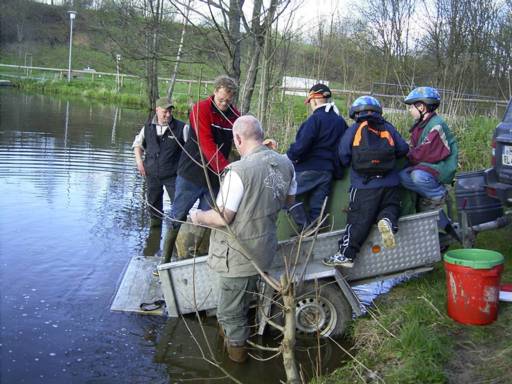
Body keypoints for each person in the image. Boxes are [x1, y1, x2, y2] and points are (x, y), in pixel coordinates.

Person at [190, 115, 296, 363]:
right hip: (265, 251)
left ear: (238, 139)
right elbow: (289, 201)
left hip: (239, 256)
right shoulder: (285, 164)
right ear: (260, 135)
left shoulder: (238, 171)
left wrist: (198, 216)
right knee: (240, 306)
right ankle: (233, 345)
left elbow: (222, 217)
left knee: (230, 314)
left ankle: (238, 366)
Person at [161, 75, 240, 263]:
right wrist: (227, 170)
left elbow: (240, 140)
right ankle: (164, 260)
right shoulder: (200, 109)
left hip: (214, 179)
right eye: (221, 99)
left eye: (228, 101)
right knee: (177, 216)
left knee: (210, 220)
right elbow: (207, 144)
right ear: (215, 92)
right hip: (190, 174)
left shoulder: (235, 116)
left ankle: (198, 258)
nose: (224, 103)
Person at [323, 96, 409, 268]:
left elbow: (343, 154)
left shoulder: (354, 129)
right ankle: (387, 221)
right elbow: (403, 149)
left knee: (357, 221)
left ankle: (346, 255)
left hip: (364, 185)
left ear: (355, 113)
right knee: (391, 207)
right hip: (390, 183)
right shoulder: (388, 128)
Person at [286, 83, 348, 230]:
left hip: (309, 169)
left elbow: (301, 147)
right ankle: (314, 235)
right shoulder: (341, 122)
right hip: (328, 172)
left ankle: (305, 228)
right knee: (318, 210)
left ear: (313, 100)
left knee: (285, 196)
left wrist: (288, 156)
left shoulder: (314, 120)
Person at [399, 86, 458, 211]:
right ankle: (428, 196)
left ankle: (439, 195)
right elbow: (413, 146)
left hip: (443, 166)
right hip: (430, 165)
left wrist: (405, 154)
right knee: (402, 176)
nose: (410, 110)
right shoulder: (420, 125)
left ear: (421, 107)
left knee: (417, 176)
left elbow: (425, 152)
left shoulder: (437, 124)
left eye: (411, 107)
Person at [133, 97, 186, 227]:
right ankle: (155, 233)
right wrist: (139, 162)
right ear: (157, 110)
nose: (168, 114)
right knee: (153, 206)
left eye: (170, 111)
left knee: (180, 206)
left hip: (173, 176)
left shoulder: (182, 128)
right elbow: (137, 145)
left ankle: (176, 232)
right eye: (165, 111)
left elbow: (193, 151)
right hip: (151, 174)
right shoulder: (147, 127)